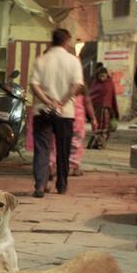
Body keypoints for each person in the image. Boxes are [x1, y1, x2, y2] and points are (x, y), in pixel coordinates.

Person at [29, 28, 84, 197]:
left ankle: (40, 185)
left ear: (51, 41)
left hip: (43, 111)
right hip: (65, 112)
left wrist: (48, 101)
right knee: (63, 149)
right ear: (66, 42)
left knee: (42, 148)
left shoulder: (41, 60)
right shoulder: (73, 61)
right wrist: (62, 102)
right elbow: (77, 85)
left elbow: (34, 85)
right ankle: (62, 185)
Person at [88, 65, 119, 148]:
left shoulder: (110, 83)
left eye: (104, 76)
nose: (102, 78)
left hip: (106, 111)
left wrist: (115, 112)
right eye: (100, 76)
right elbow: (91, 96)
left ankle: (100, 144)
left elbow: (112, 98)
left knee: (105, 128)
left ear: (106, 75)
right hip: (97, 110)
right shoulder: (95, 83)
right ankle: (96, 143)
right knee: (97, 127)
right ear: (97, 76)